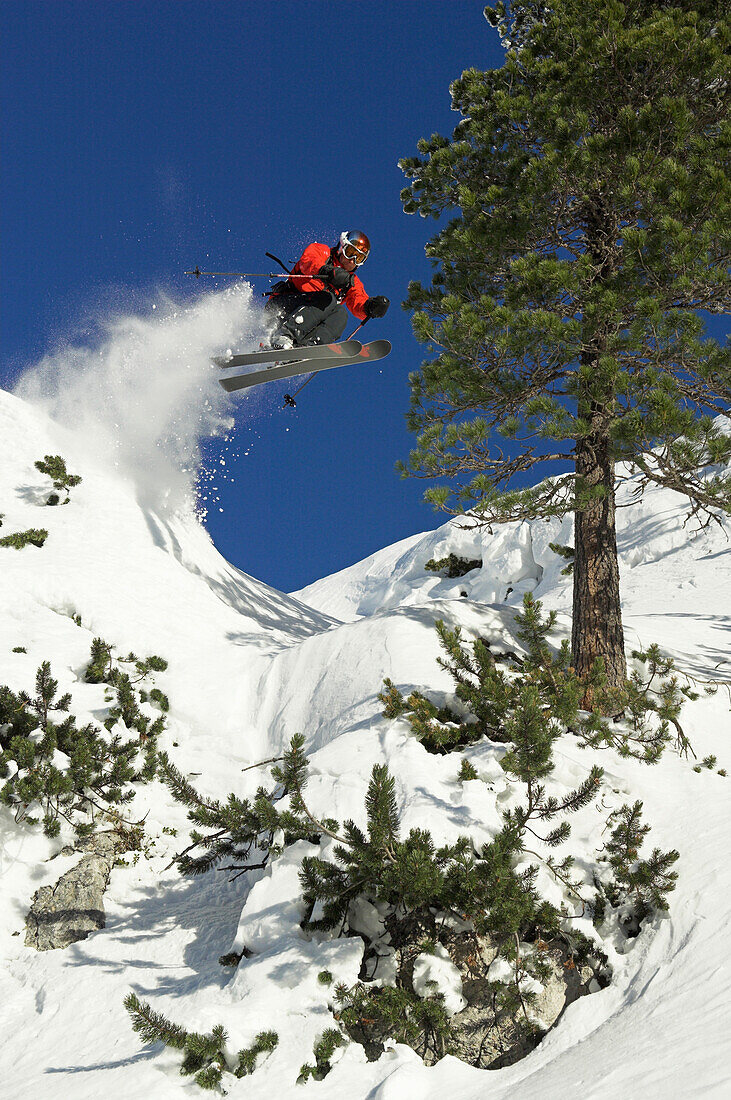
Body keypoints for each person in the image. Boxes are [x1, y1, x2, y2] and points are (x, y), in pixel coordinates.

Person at [265, 230, 390, 349]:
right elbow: (308, 261)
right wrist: (327, 271)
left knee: (341, 314)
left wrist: (370, 307)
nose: (353, 260)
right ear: (342, 248)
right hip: (282, 307)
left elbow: (358, 300)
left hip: (307, 321)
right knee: (328, 298)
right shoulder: (323, 252)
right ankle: (284, 335)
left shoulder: (350, 282)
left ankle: (309, 347)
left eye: (359, 258)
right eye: (350, 252)